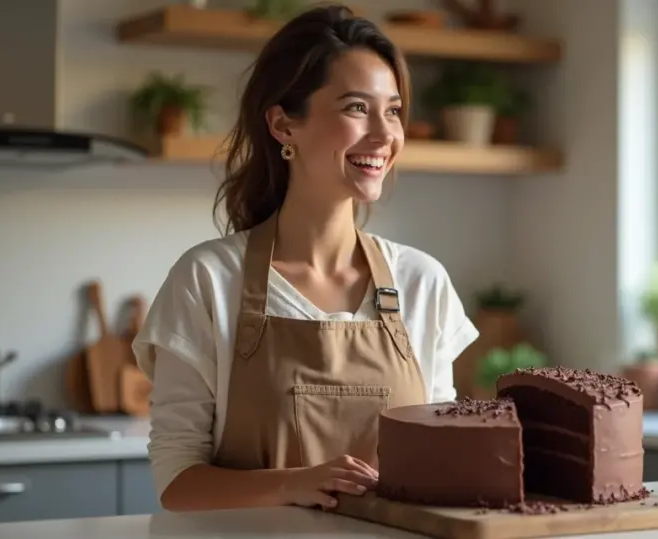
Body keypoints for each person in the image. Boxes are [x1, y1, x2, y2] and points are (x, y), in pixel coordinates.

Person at [131, 4, 479, 514]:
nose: (384, 136)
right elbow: (177, 483)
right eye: (356, 108)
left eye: (393, 110)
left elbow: (438, 465)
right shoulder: (207, 280)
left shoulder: (421, 282)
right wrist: (288, 484)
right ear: (282, 125)